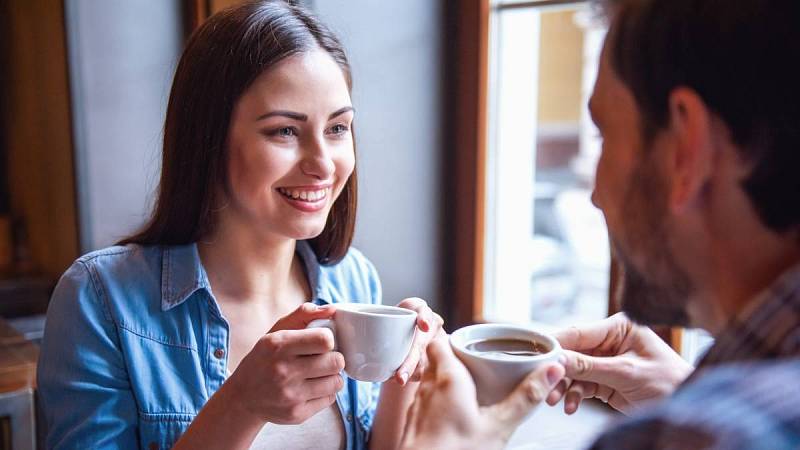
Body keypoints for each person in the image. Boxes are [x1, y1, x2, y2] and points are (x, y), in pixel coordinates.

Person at [36, 2, 443, 449]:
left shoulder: (354, 279)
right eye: (285, 131)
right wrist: (241, 405)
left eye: (338, 128)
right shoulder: (100, 299)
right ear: (209, 136)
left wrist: (402, 373)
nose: (323, 164)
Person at [400, 0, 800, 448]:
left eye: (603, 134)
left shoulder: (694, 433)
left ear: (687, 150)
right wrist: (685, 393)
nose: (595, 195)